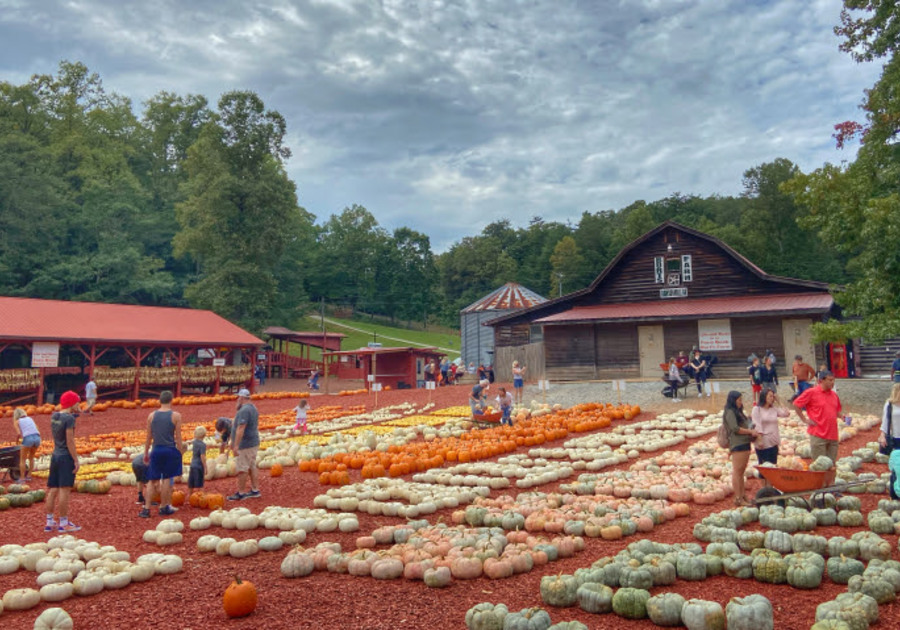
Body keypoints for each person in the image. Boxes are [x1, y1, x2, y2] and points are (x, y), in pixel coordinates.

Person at [139, 390, 184, 518]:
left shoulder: (151, 416)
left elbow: (149, 437)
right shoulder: (176, 416)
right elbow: (178, 438)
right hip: (169, 449)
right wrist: (180, 453)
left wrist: (146, 453)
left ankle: (146, 508)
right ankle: (164, 507)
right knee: (166, 479)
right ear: (171, 400)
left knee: (152, 480)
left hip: (156, 449)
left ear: (160, 400)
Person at [46, 390, 82, 533]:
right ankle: (63, 522)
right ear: (72, 403)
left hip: (55, 455)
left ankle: (49, 521)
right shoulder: (69, 419)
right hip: (65, 457)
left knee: (53, 489)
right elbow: (70, 441)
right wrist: (76, 459)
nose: (79, 404)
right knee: (64, 490)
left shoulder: (54, 416)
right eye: (77, 402)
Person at [793, 370, 842, 464]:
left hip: (833, 435)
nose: (832, 382)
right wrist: (804, 419)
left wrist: (842, 417)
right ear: (821, 381)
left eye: (833, 380)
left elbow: (835, 411)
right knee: (819, 466)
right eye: (830, 380)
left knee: (831, 465)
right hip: (818, 435)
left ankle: (830, 479)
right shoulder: (811, 392)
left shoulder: (834, 395)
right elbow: (796, 404)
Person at [722, 391, 760, 506]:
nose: (740, 402)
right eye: (739, 400)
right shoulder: (730, 412)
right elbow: (735, 428)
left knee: (741, 472)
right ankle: (738, 498)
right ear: (733, 400)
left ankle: (743, 496)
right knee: (737, 472)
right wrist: (749, 431)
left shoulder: (738, 412)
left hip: (744, 443)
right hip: (738, 444)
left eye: (741, 399)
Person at [229, 388, 260, 501]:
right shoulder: (253, 408)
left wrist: (236, 445)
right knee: (252, 466)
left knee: (242, 468)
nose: (238, 399)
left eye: (239, 397)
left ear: (242, 398)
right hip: (253, 442)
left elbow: (241, 428)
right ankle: (255, 489)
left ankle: (241, 492)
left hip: (245, 444)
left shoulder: (244, 411)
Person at [752, 389, 790, 465]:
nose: (771, 398)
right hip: (763, 442)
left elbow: (786, 413)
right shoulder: (757, 409)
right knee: (764, 465)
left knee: (773, 465)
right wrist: (759, 440)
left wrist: (779, 401)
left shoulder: (774, 409)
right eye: (770, 396)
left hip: (773, 441)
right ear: (764, 397)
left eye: (773, 396)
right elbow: (757, 425)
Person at [12, 408, 40, 482]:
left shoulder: (17, 421)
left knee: (22, 459)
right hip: (37, 437)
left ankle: (22, 478)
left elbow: (18, 433)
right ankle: (29, 476)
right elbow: (37, 428)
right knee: (31, 458)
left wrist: (17, 441)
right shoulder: (30, 418)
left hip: (28, 438)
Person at [187, 426, 207, 498]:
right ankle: (202, 497)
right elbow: (202, 456)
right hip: (199, 466)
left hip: (192, 465)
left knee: (191, 482)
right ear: (204, 435)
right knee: (200, 483)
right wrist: (205, 466)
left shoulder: (194, 442)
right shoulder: (203, 445)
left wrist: (188, 442)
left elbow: (192, 441)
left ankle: (190, 496)